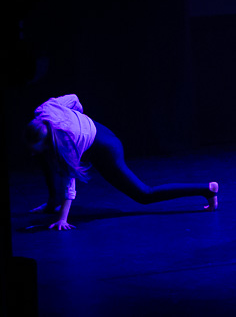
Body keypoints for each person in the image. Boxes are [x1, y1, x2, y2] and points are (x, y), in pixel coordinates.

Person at [25, 94, 218, 230]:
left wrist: (63, 219)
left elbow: (70, 182)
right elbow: (74, 98)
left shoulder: (66, 142)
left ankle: (206, 189)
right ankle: (51, 203)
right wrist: (80, 119)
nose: (32, 153)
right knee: (44, 157)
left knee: (144, 194)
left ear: (46, 138)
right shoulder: (43, 110)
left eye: (36, 147)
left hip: (106, 149)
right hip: (99, 131)